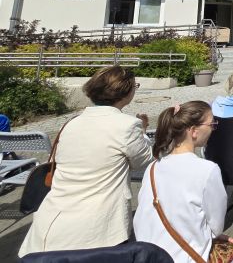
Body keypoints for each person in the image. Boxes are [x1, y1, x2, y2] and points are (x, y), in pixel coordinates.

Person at [19, 66, 153, 256]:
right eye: (134, 86)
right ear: (125, 91)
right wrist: (143, 133)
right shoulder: (127, 125)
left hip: (51, 220)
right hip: (95, 228)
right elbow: (143, 160)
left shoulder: (71, 123)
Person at [134, 101, 233, 262]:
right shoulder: (208, 170)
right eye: (212, 124)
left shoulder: (152, 168)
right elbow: (216, 227)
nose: (213, 129)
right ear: (194, 131)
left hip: (148, 255)